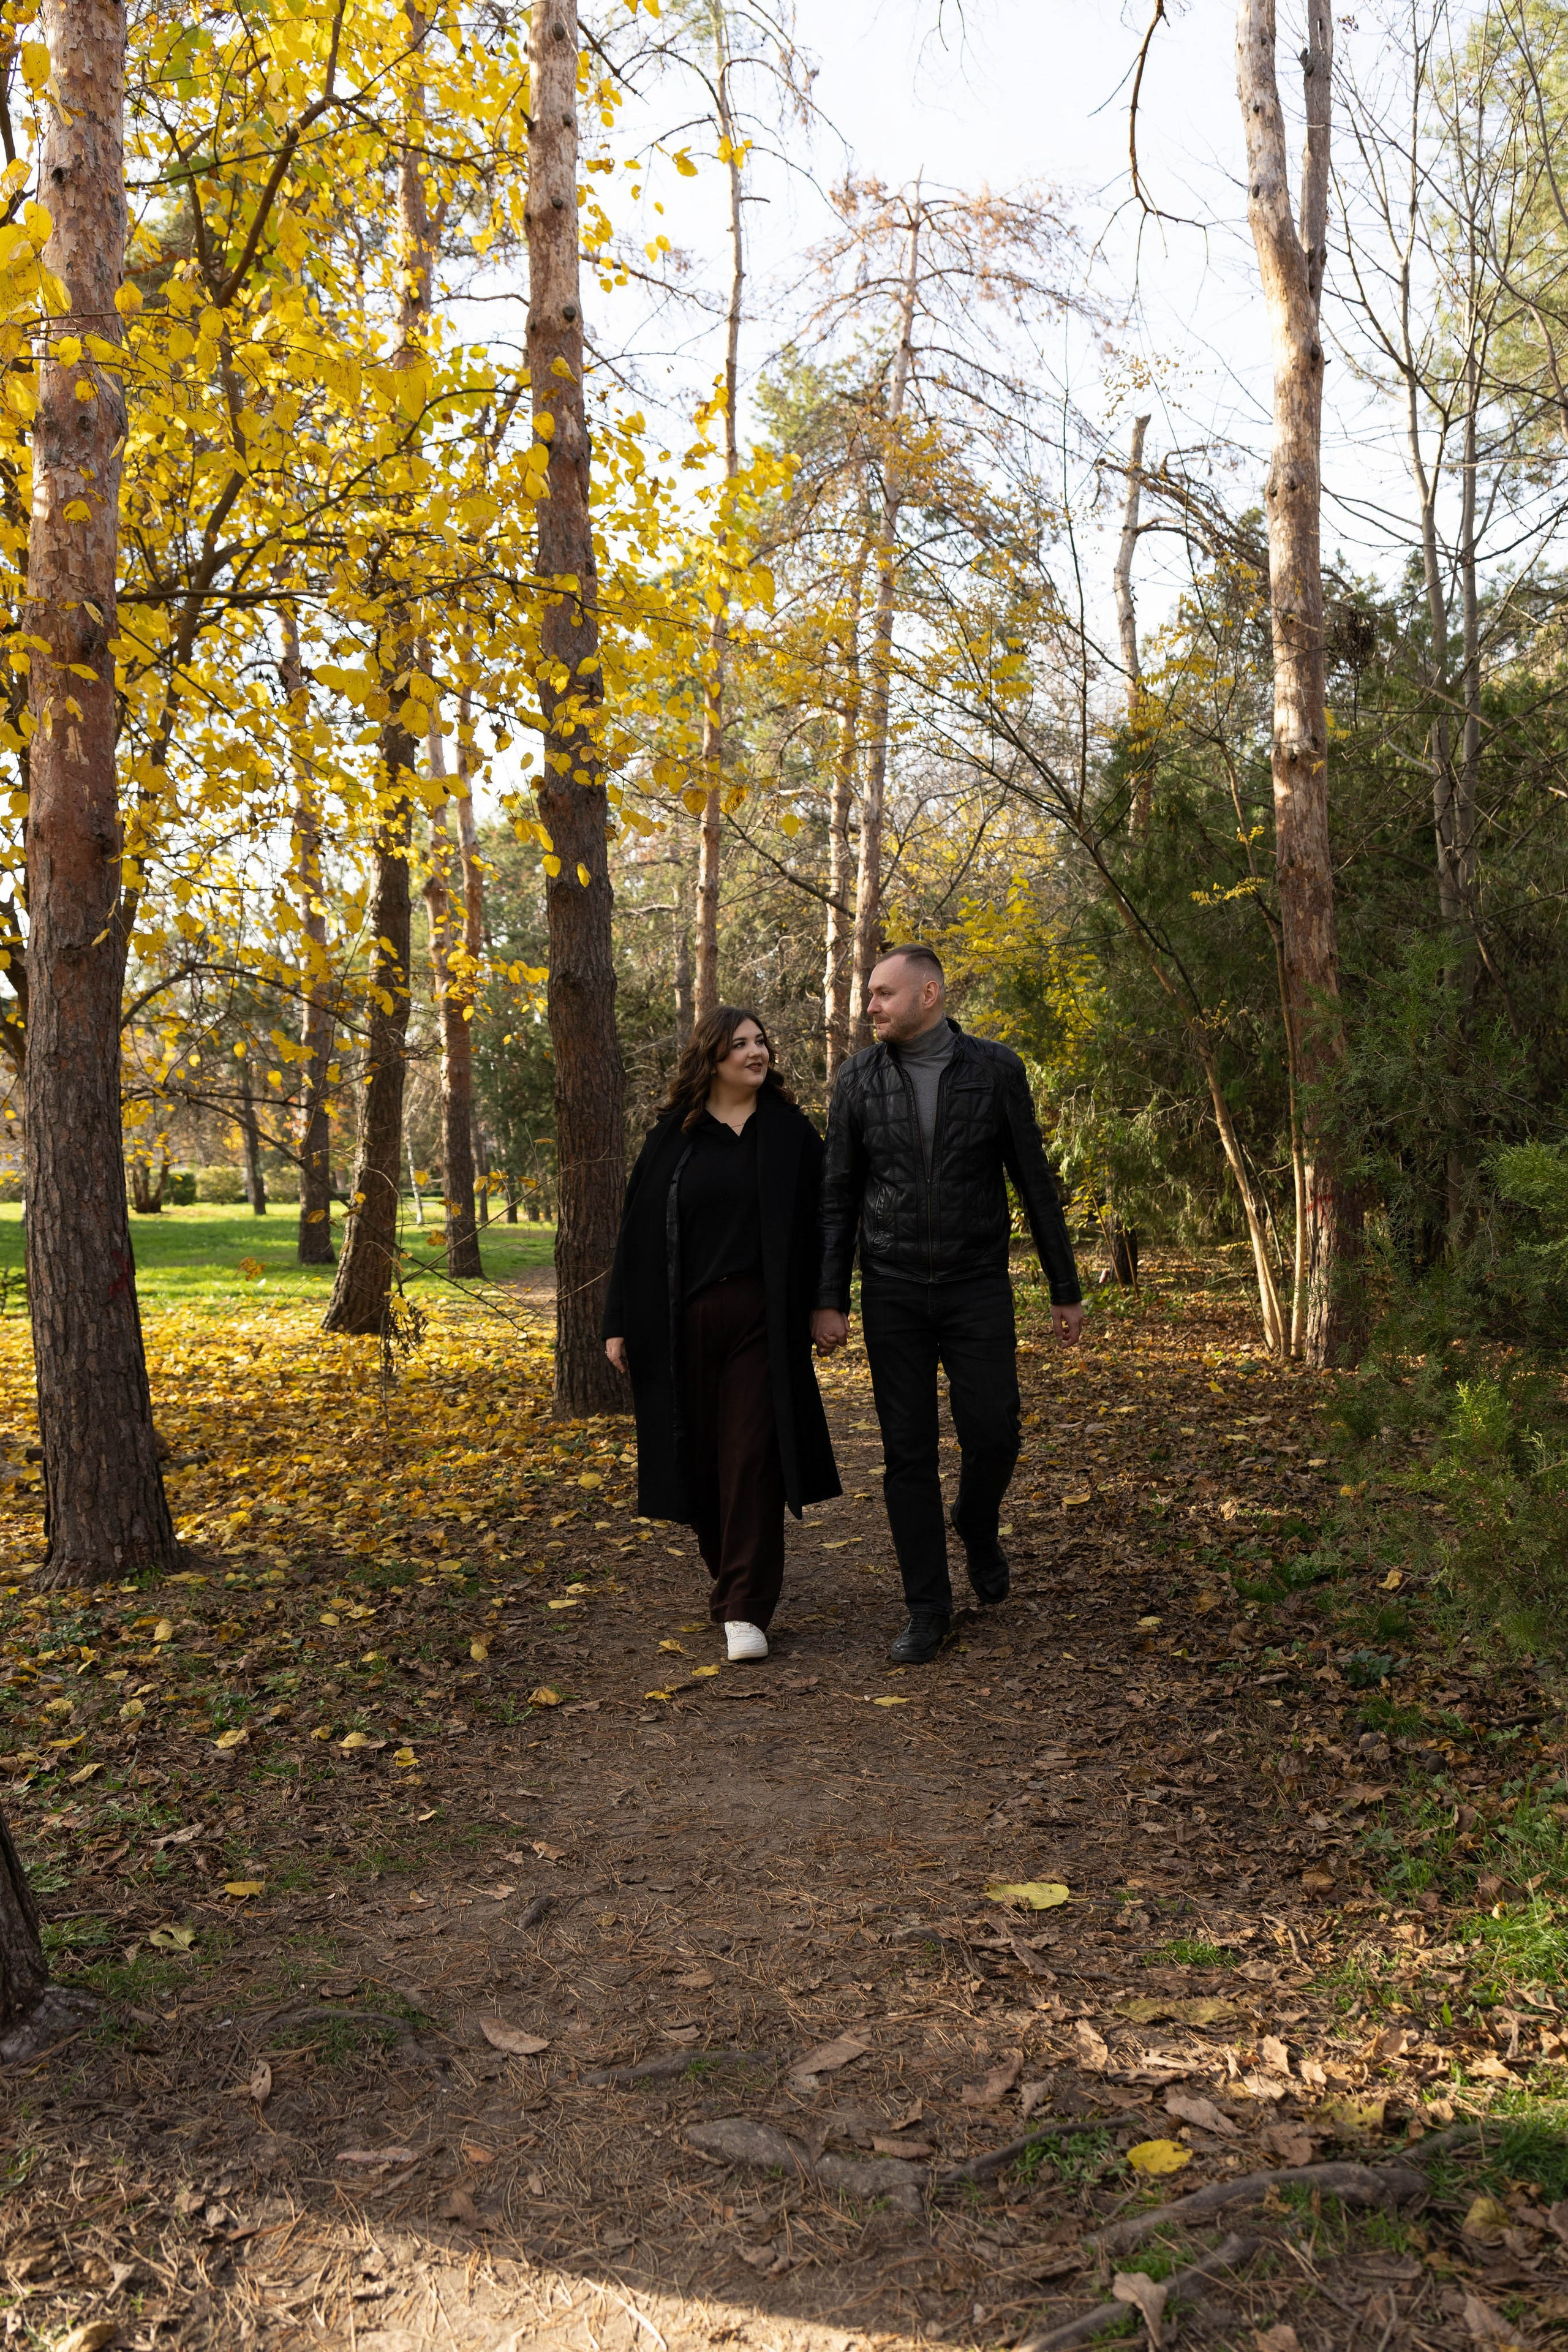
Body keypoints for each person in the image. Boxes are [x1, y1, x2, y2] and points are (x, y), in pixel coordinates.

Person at [812, 946, 1085, 1664]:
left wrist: (1065, 1287)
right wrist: (829, 1297)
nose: (870, 1005)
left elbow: (1033, 1180)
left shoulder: (995, 1069)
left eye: (882, 993)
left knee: (993, 1431)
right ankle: (927, 1607)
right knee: (907, 1454)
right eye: (869, 994)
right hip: (894, 1289)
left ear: (928, 993)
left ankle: (976, 1518)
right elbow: (837, 1195)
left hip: (976, 1286)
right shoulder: (858, 1078)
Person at [603, 1006, 841, 1662]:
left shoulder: (791, 1134)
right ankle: (727, 1578)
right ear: (711, 1058)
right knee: (700, 1461)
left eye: (761, 1041)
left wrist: (828, 1303)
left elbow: (828, 1226)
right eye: (740, 1044)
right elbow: (633, 1235)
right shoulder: (673, 1137)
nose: (755, 1052)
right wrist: (617, 1322)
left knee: (751, 1457)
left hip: (764, 1322)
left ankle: (746, 1607)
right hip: (678, 1324)